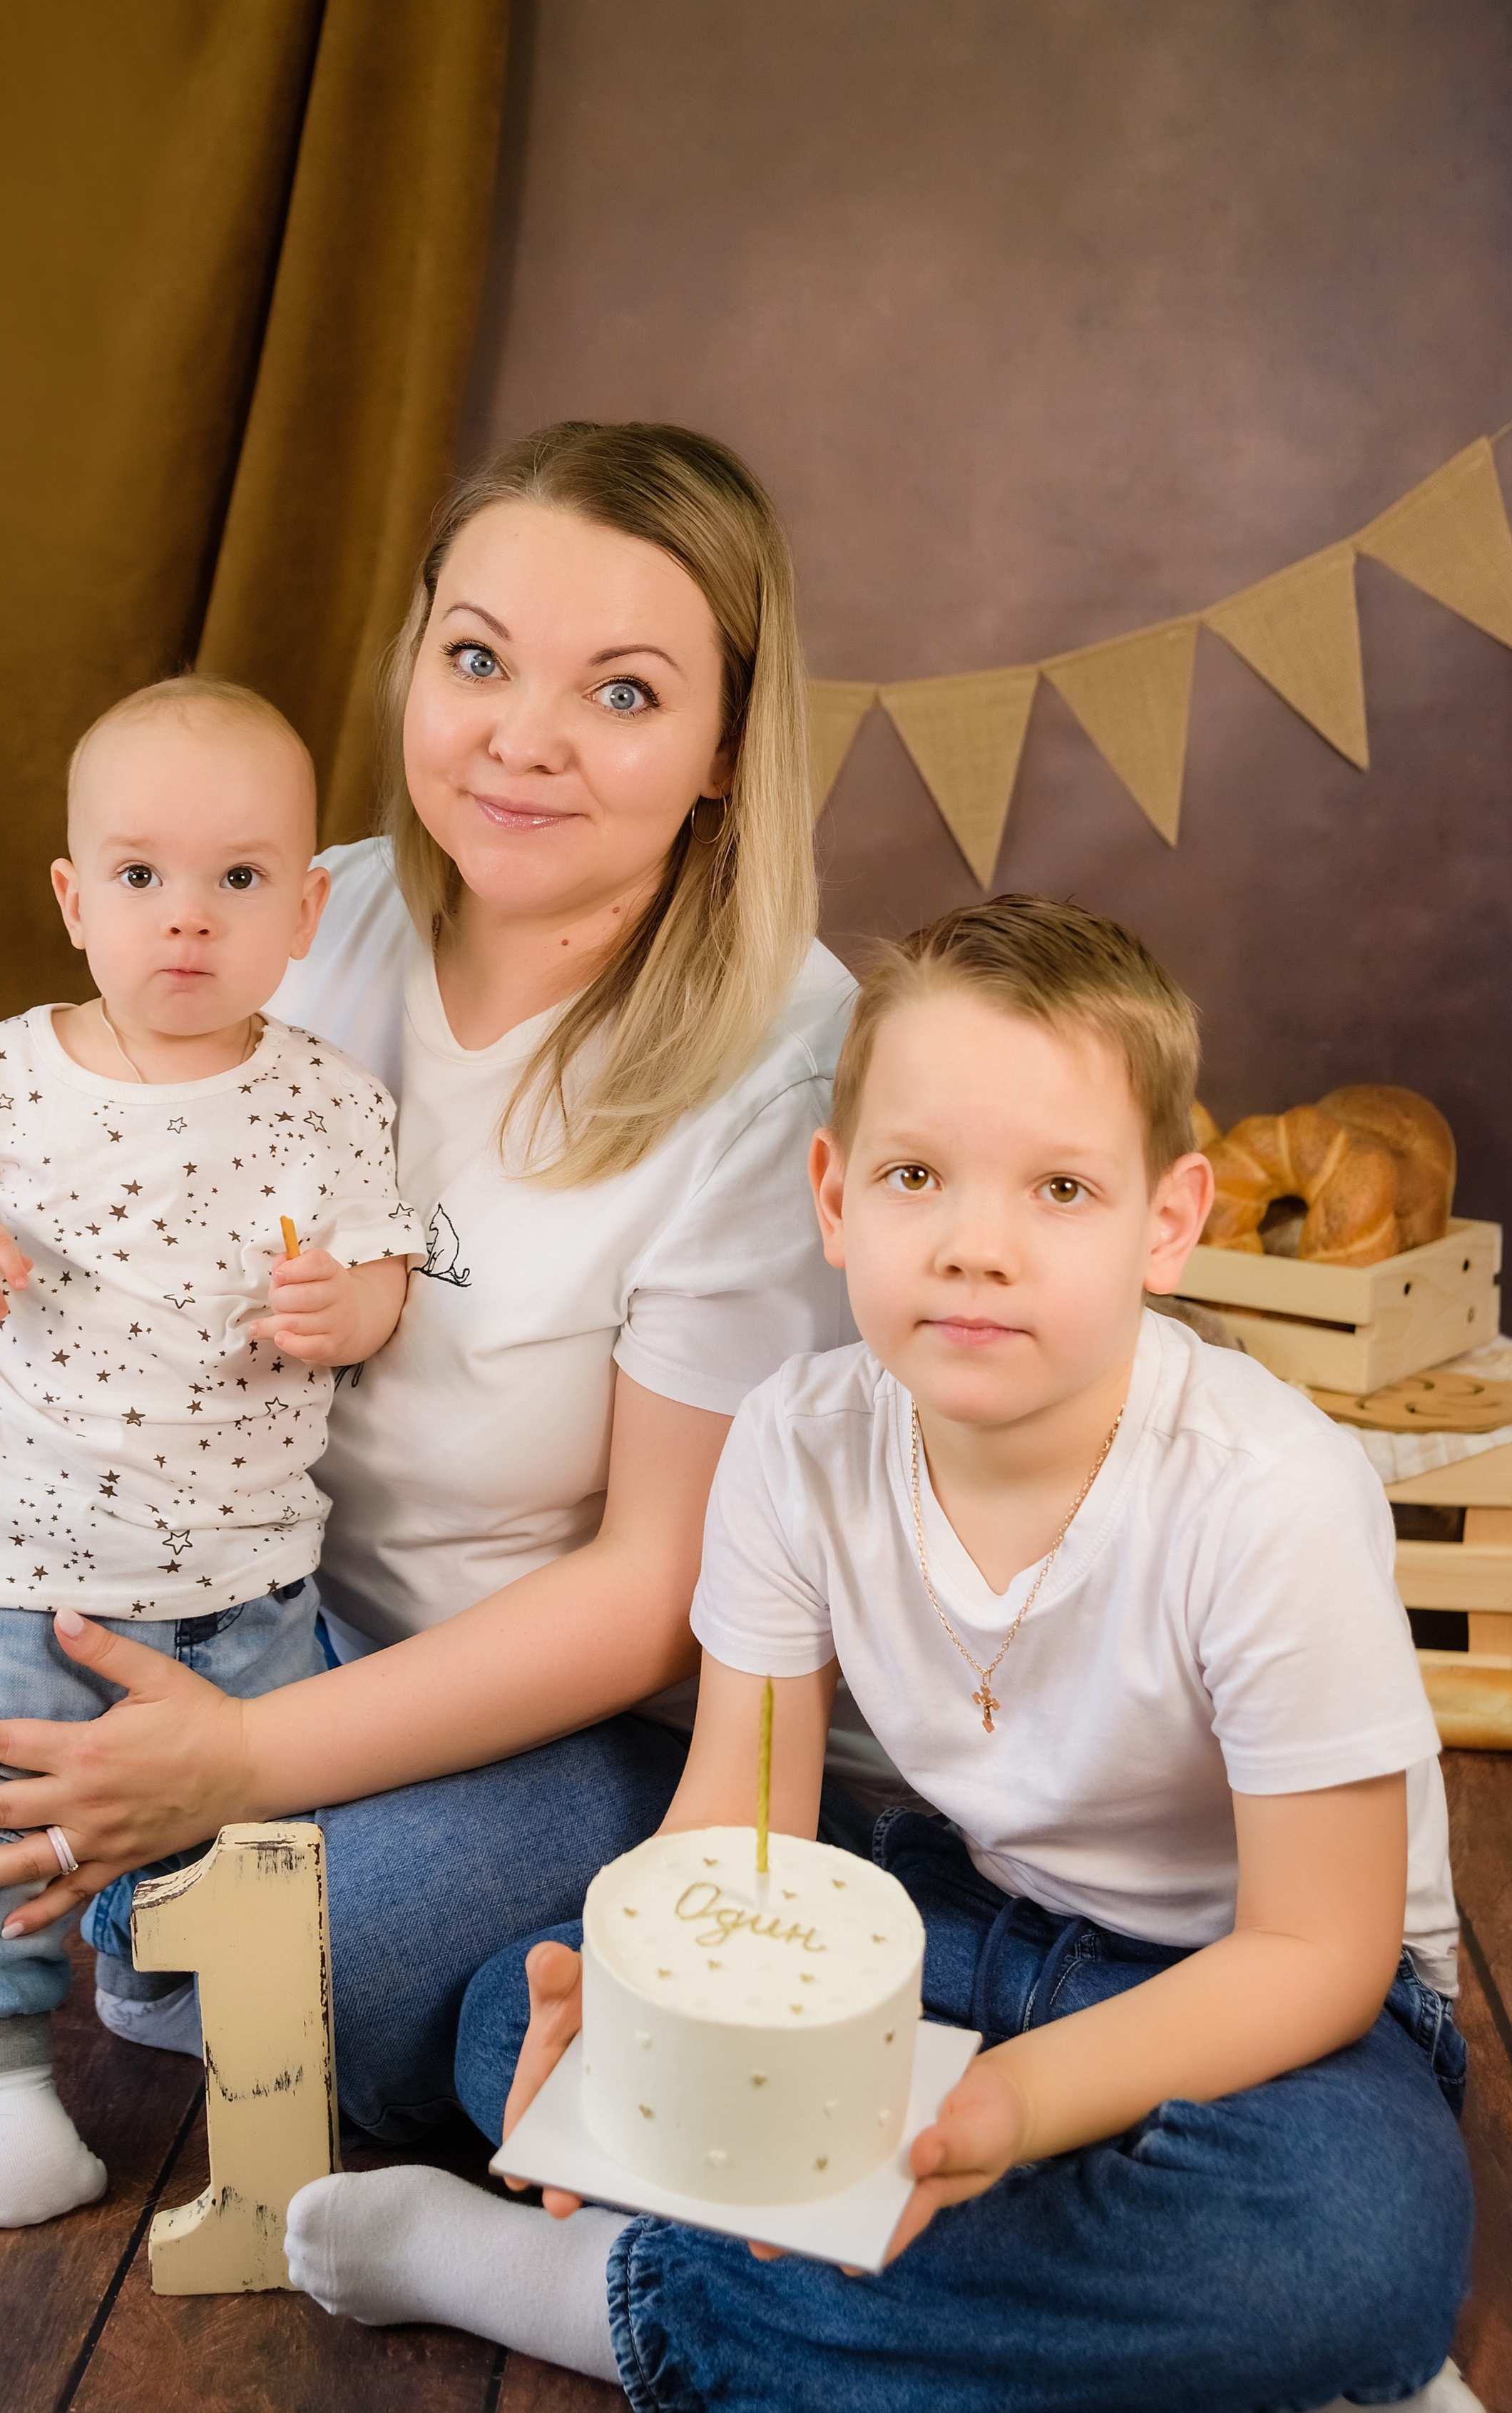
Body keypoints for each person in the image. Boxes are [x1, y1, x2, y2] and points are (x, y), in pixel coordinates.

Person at [282, 894, 1476, 2413]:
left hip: (1265, 2004)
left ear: (1164, 1223)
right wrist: (648, 1998)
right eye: (917, 1177)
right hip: (961, 1923)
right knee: (519, 2029)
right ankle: (1180, 2353)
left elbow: (1317, 1951)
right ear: (834, 1199)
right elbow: (746, 1820)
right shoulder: (799, 1437)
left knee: (1350, 2248)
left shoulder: (1264, 1494)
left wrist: (1012, 2103)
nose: (975, 1249)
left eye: (1056, 1189)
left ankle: (590, 2295)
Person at [0, 420, 861, 2141]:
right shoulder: (295, 918)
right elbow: (79, 1219)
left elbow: (651, 1589)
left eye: (620, 692)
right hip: (236, 1604)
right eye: (476, 659)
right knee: (43, 1825)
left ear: (720, 748)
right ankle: (495, 2024)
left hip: (562, 1710)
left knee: (200, 1955)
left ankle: (503, 1977)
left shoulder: (781, 1062)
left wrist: (237, 1765)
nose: (519, 742)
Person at [0, 676, 417, 2227]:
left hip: (240, 1570)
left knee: (258, 1852)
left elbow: (383, 1275)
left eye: (238, 880)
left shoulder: (328, 1100)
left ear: (306, 907)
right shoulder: (6, 1068)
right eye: (139, 876)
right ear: (72, 897)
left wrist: (347, 1307)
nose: (187, 920)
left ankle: (250, 2106)